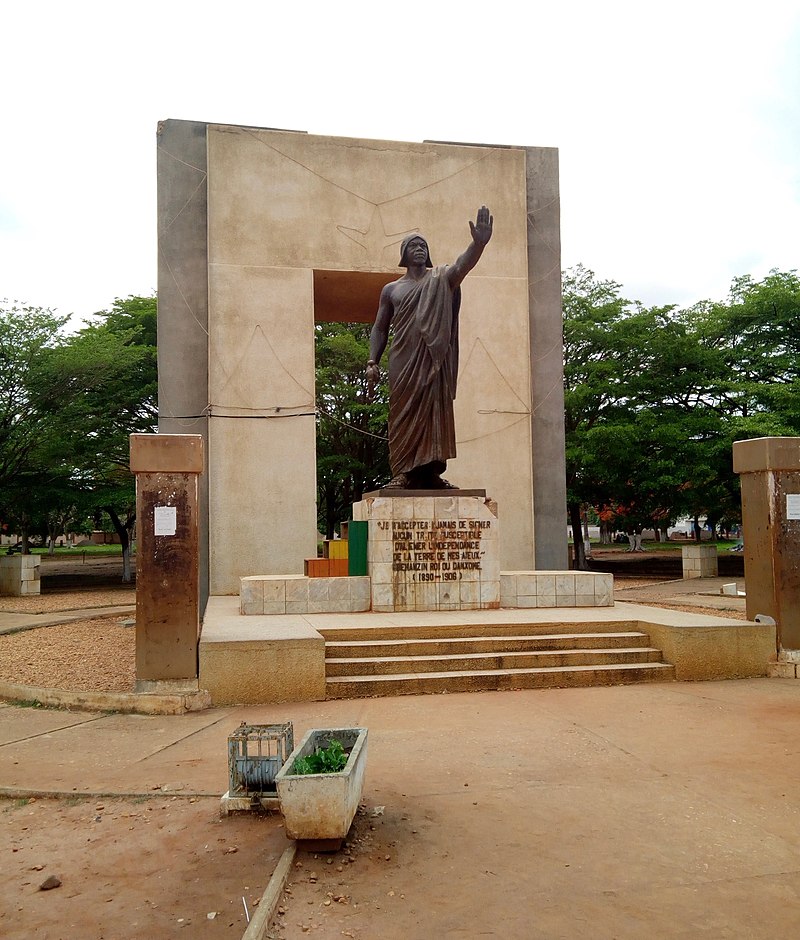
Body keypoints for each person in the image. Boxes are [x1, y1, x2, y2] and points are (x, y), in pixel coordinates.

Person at [366, 206, 493, 489]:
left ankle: (430, 473)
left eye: (423, 245)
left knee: (435, 411)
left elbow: (462, 267)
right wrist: (372, 361)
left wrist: (478, 244)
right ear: (404, 254)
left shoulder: (441, 278)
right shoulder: (391, 289)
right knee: (402, 412)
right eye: (413, 245)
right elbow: (380, 327)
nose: (420, 249)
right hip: (403, 359)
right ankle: (403, 472)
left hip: (433, 359)